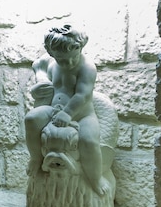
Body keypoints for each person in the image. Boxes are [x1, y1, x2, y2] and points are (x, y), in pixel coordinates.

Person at [25, 24, 109, 196]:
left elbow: (83, 95)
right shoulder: (49, 61)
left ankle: (95, 179)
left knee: (89, 141)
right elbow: (37, 65)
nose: (68, 63)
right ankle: (36, 158)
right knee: (31, 119)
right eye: (61, 59)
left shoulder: (87, 67)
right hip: (53, 110)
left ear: (80, 49)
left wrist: (68, 113)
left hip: (82, 114)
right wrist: (41, 81)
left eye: (72, 57)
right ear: (52, 53)